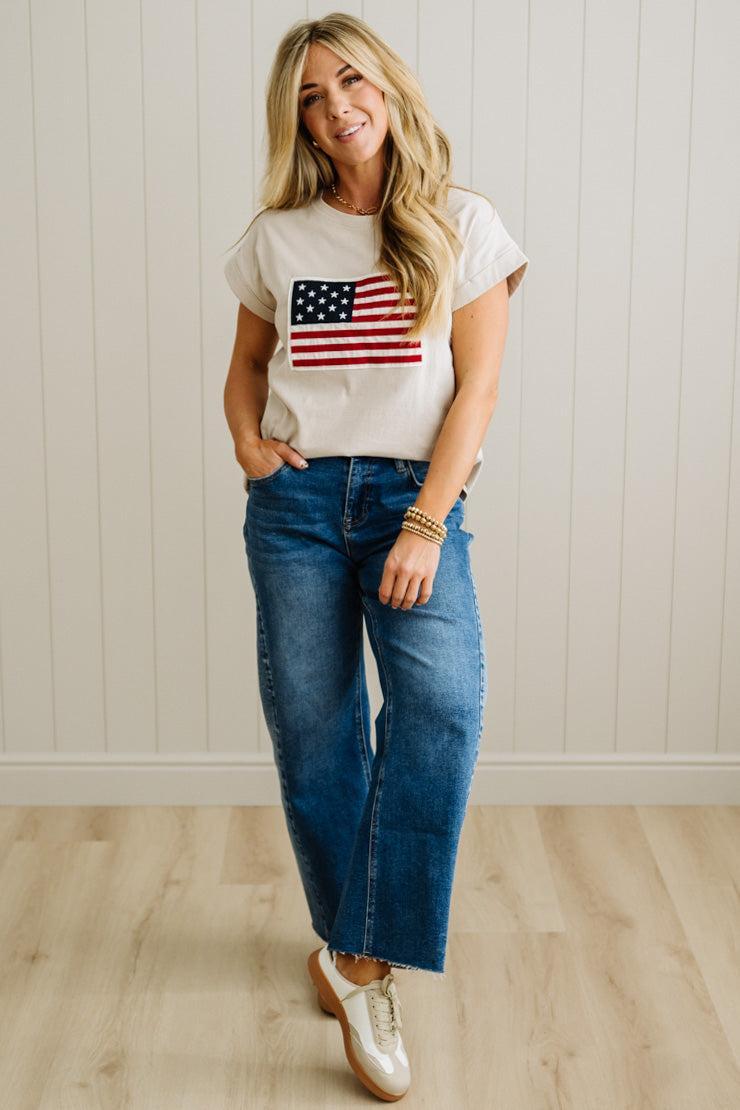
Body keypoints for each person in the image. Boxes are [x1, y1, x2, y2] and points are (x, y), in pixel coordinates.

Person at [222, 12, 529, 1101]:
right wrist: (250, 446)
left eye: (350, 81)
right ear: (297, 121)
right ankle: (358, 952)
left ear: (388, 89)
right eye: (310, 96)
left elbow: (477, 390)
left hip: (412, 496)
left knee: (440, 706)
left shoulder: (462, 221)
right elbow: (247, 364)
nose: (335, 106)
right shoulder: (279, 236)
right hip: (297, 505)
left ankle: (357, 962)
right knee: (315, 732)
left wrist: (426, 524)